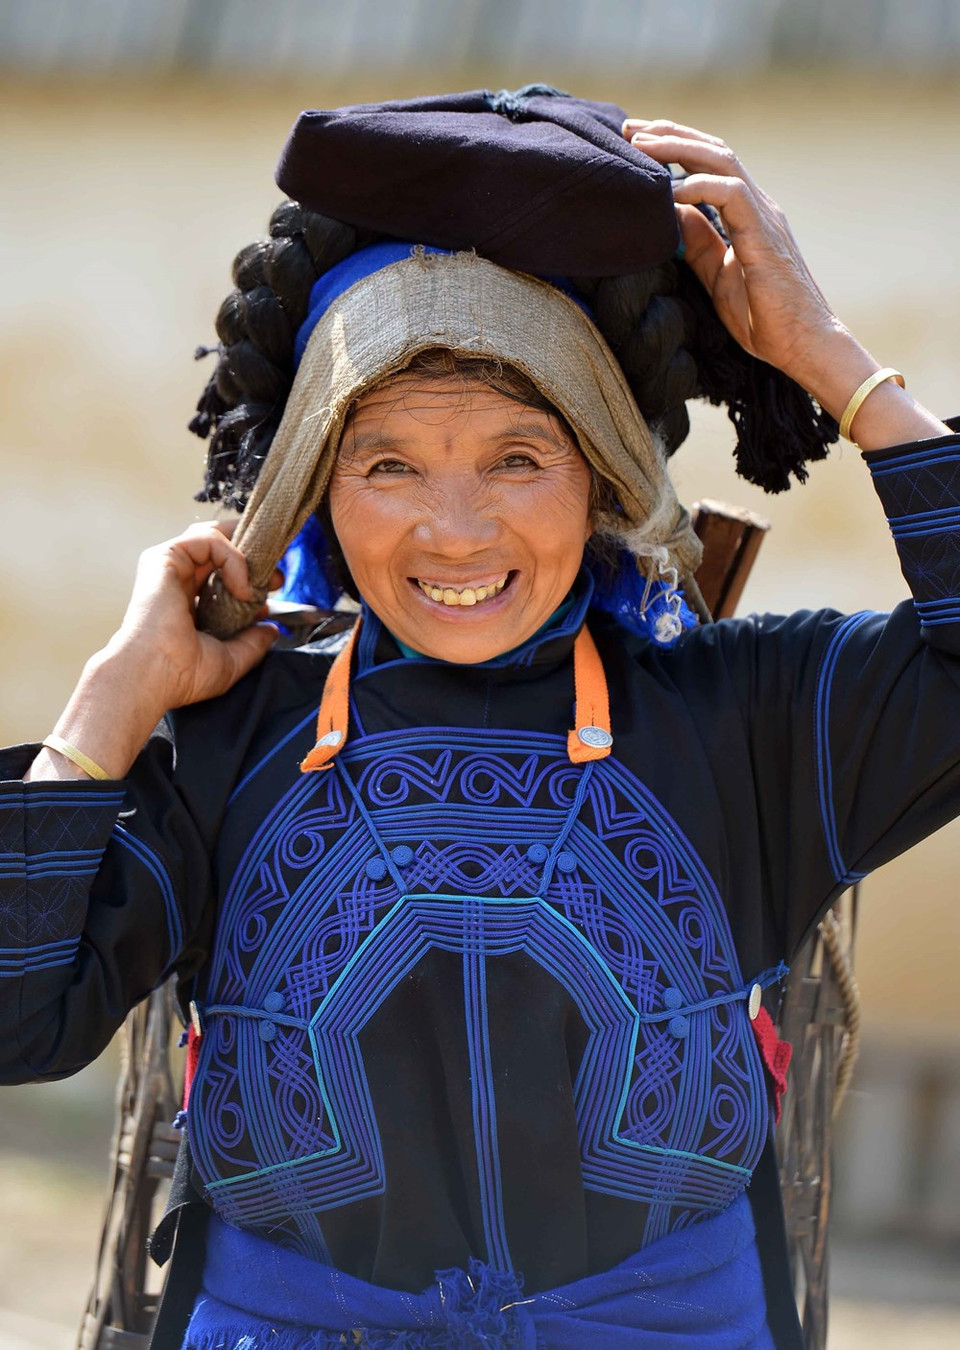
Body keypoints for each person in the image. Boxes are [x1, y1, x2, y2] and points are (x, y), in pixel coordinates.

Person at [1, 89, 958, 1349]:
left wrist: (828, 356)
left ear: (606, 475)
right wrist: (114, 694)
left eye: (519, 457)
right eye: (388, 463)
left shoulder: (751, 727)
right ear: (315, 490)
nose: (455, 530)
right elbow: (19, 1015)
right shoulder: (235, 744)